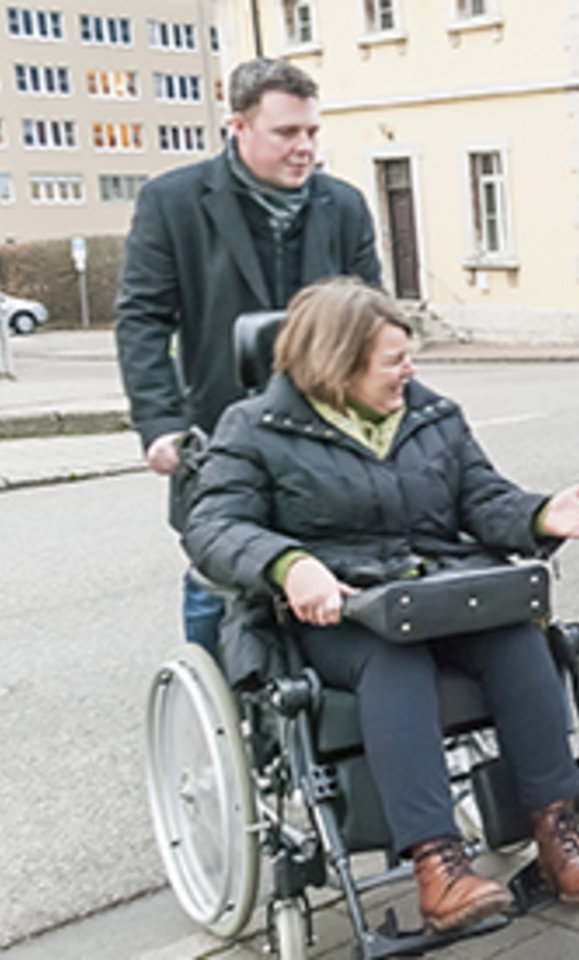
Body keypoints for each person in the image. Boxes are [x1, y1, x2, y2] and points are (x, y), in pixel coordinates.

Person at [182, 279, 579, 933]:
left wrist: (540, 514)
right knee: (395, 659)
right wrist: (290, 564)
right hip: (334, 612)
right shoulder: (253, 429)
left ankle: (558, 835)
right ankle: (438, 865)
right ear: (338, 360)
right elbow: (212, 528)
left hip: (437, 592)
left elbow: (482, 498)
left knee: (519, 638)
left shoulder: (430, 414)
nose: (409, 371)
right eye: (394, 359)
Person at [116, 58, 382, 659]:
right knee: (222, 580)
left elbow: (373, 321)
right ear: (238, 127)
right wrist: (160, 427)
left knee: (334, 580)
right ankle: (223, 709)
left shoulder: (343, 206)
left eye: (312, 132)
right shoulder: (174, 202)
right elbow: (143, 320)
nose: (304, 147)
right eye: (287, 133)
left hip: (328, 435)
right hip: (220, 430)